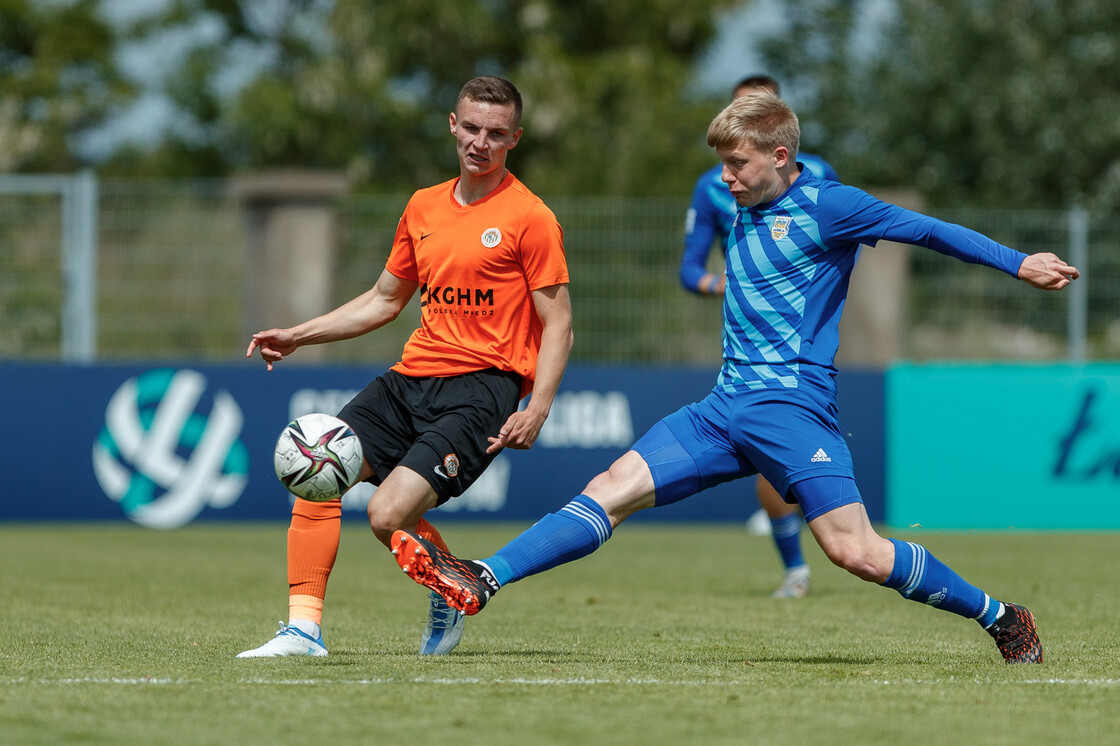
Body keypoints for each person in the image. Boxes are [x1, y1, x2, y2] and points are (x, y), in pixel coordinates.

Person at [391, 90, 1079, 664]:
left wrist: (1019, 263)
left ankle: (1000, 616)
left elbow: (926, 231)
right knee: (608, 489)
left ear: (782, 156)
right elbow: (696, 268)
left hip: (792, 410)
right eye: (722, 164)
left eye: (738, 164)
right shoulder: (739, 200)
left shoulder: (831, 206)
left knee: (857, 553)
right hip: (721, 409)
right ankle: (484, 577)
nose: (726, 178)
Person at [237, 76, 573, 658]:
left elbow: (559, 323)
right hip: (409, 379)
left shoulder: (530, 217)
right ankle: (302, 631)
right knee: (317, 467)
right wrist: (299, 334)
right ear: (452, 125)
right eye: (471, 128)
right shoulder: (422, 206)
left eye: (496, 133)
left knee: (387, 514)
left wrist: (537, 404)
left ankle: (450, 588)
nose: (480, 143)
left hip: (482, 390)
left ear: (514, 138)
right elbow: (384, 301)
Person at [682, 74, 837, 599]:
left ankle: (826, 551)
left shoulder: (817, 177)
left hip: (800, 343)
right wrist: (720, 282)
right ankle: (796, 568)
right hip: (744, 343)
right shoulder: (713, 186)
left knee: (795, 481)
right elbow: (688, 271)